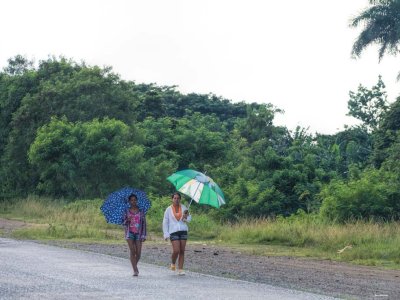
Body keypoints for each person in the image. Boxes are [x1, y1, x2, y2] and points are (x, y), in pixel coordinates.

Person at [162, 192, 191, 275]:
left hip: (183, 230)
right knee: (176, 250)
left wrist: (186, 217)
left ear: (180, 199)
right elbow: (165, 221)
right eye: (175, 198)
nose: (176, 200)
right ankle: (173, 263)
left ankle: (181, 269)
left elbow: (189, 219)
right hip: (173, 231)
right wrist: (166, 233)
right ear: (172, 199)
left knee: (182, 250)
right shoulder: (168, 209)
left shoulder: (184, 208)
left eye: (178, 198)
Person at [124, 193, 147, 276]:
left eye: (135, 200)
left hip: (139, 233)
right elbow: (123, 222)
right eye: (132, 200)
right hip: (129, 233)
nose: (133, 201)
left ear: (137, 201)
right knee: (132, 251)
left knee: (139, 253)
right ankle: (135, 270)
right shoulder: (126, 211)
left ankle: (134, 265)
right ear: (129, 201)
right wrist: (127, 220)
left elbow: (144, 223)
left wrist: (144, 235)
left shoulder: (141, 211)